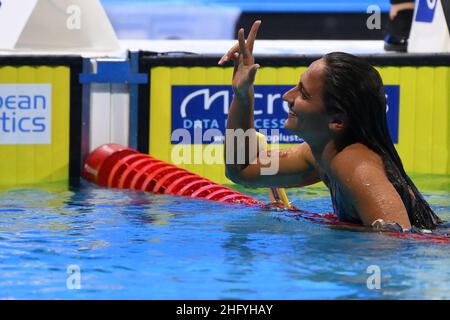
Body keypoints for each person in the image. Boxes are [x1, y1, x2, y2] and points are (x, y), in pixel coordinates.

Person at [220, 20, 442, 232]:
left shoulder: (354, 164)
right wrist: (242, 95)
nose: (288, 96)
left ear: (337, 121)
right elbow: (242, 169)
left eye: (304, 94)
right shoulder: (320, 155)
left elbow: (396, 243)